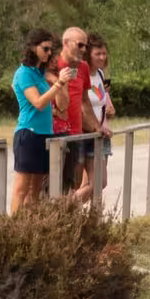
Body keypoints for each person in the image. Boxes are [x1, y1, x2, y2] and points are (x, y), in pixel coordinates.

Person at [10, 28, 69, 211]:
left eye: (51, 49)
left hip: (45, 135)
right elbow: (38, 103)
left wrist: (60, 82)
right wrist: (58, 83)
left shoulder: (39, 73)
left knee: (36, 190)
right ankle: (11, 230)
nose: (49, 53)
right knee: (22, 189)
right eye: (45, 48)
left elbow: (62, 104)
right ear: (33, 47)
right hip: (28, 133)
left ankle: (30, 228)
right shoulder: (24, 73)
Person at [52, 26, 93, 203]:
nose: (84, 50)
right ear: (65, 43)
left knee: (71, 187)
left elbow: (85, 100)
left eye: (86, 46)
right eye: (80, 45)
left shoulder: (83, 67)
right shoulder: (52, 65)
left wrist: (98, 126)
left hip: (76, 135)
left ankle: (64, 227)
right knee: (48, 186)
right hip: (53, 135)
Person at [85, 33, 115, 202]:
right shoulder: (82, 75)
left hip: (102, 133)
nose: (102, 57)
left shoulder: (100, 75)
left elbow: (102, 100)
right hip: (88, 133)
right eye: (98, 54)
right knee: (94, 183)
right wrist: (96, 126)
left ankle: (93, 222)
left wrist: (109, 108)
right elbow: (83, 104)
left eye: (104, 53)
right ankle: (63, 210)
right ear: (88, 54)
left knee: (100, 183)